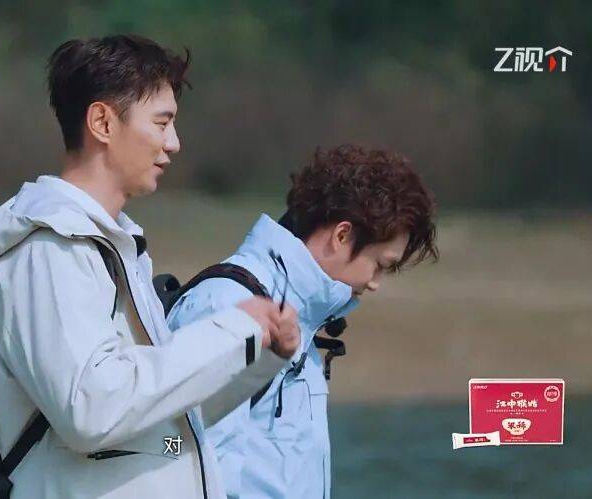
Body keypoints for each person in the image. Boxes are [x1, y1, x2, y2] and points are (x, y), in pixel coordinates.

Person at [0, 34, 300, 499]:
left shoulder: (112, 249)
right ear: (102, 122)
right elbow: (93, 411)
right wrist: (233, 330)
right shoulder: (48, 252)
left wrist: (258, 354)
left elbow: (168, 430)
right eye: (162, 122)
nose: (174, 143)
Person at [167, 144, 439, 498]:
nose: (375, 283)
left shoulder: (303, 320)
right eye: (380, 264)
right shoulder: (227, 304)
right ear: (342, 235)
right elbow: (177, 458)